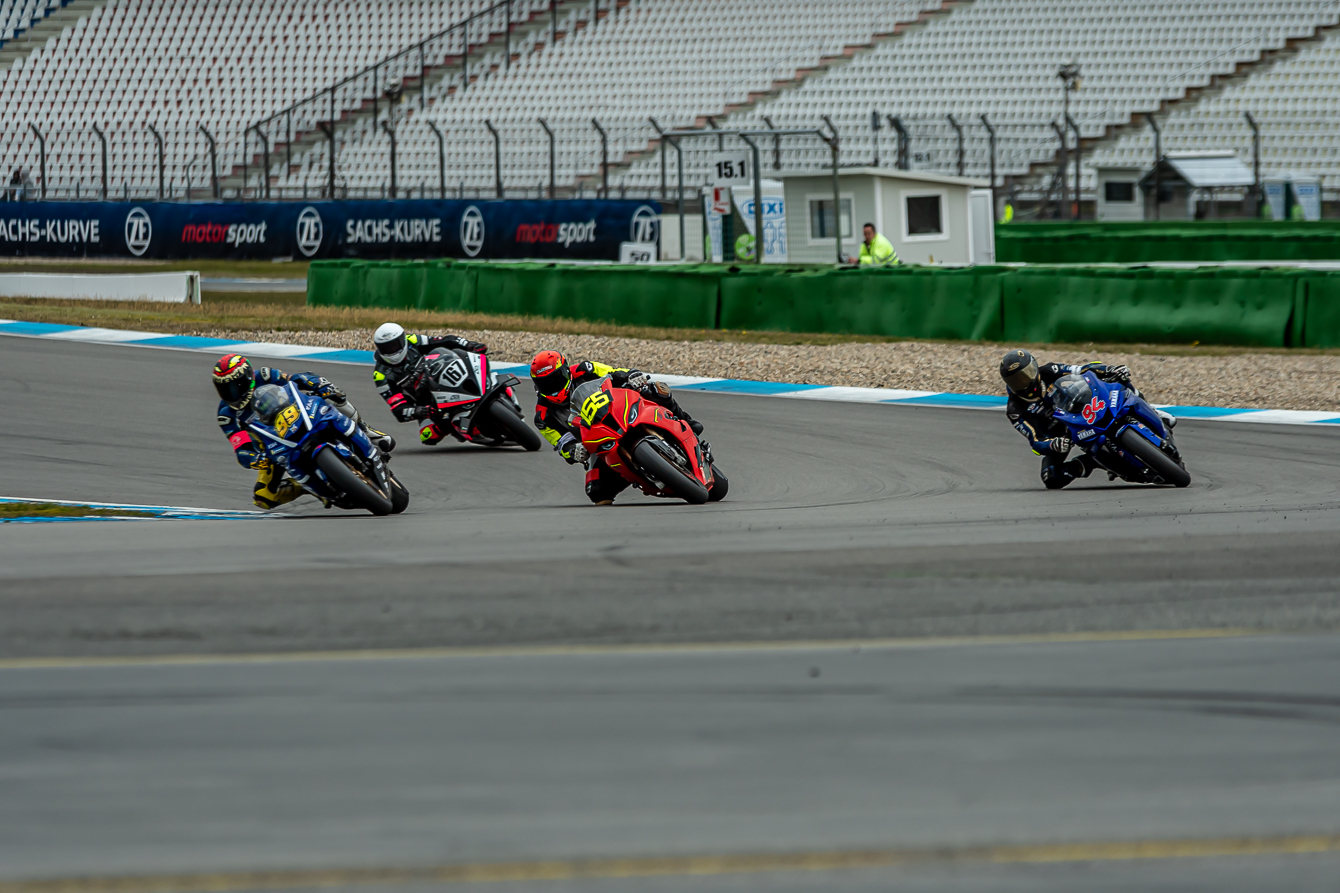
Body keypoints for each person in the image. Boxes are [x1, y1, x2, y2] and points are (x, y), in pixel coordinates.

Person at [213, 354, 394, 509]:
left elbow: (294, 380)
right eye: (223, 389)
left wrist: (317, 384)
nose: (229, 393)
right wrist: (254, 458)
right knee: (263, 497)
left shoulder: (265, 376)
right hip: (273, 447)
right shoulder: (226, 415)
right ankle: (309, 487)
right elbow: (241, 447)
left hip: (301, 415)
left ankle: (366, 430)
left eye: (234, 386)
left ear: (247, 378)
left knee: (335, 398)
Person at [529, 349, 703, 505]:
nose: (552, 387)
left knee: (654, 389)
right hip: (598, 442)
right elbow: (561, 443)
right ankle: (639, 475)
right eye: (545, 384)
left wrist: (631, 375)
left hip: (620, 409)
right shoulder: (543, 417)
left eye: (556, 380)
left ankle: (686, 420)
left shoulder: (585, 369)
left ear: (566, 371)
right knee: (596, 492)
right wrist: (573, 450)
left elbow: (612, 372)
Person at [999, 348, 1176, 490]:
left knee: (1119, 380)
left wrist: (1109, 370)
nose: (1025, 381)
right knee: (1051, 478)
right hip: (1060, 434)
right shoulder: (1015, 410)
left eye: (1027, 373)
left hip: (1077, 409)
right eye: (1017, 380)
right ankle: (1091, 463)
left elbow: (1082, 370)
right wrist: (1053, 444)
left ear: (1035, 367)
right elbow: (1035, 440)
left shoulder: (1049, 370)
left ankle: (1152, 411)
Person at [371, 322, 489, 445]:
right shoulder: (380, 375)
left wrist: (469, 345)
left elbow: (445, 341)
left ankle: (485, 383)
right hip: (426, 402)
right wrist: (418, 411)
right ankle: (456, 425)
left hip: (442, 376)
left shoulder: (413, 340)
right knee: (428, 436)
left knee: (467, 356)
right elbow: (398, 409)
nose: (391, 350)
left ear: (402, 340)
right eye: (386, 348)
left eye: (394, 345)